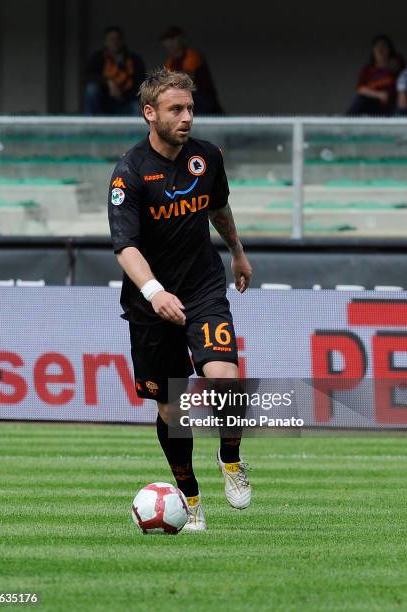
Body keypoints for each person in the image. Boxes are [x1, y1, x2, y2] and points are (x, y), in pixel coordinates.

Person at [108, 67, 252, 531]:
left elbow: (219, 208)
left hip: (202, 287)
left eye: (190, 108)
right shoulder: (129, 173)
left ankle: (230, 457)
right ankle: (189, 500)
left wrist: (238, 252)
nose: (187, 117)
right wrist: (154, 292)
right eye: (176, 109)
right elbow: (125, 247)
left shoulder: (207, 158)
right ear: (150, 114)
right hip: (151, 306)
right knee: (171, 409)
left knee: (225, 382)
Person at [161, 26, 223, 115]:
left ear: (181, 39)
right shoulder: (169, 62)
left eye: (173, 39)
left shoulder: (192, 54)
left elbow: (188, 81)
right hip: (184, 101)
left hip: (202, 100)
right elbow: (166, 84)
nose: (169, 43)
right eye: (166, 40)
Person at [85, 26, 145, 115]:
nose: (114, 42)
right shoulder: (98, 57)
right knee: (91, 89)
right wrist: (109, 82)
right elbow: (89, 76)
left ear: (122, 41)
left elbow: (141, 83)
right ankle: (90, 125)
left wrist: (122, 94)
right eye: (111, 39)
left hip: (126, 103)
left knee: (137, 107)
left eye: (117, 38)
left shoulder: (134, 59)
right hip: (103, 104)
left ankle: (135, 129)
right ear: (105, 42)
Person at [347, 35, 404, 116]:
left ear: (389, 49)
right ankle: (346, 123)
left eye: (383, 46)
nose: (380, 49)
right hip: (375, 104)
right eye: (377, 46)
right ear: (373, 50)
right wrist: (379, 94)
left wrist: (384, 60)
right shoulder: (368, 69)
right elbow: (360, 89)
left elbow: (396, 65)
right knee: (360, 99)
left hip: (392, 104)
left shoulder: (396, 62)